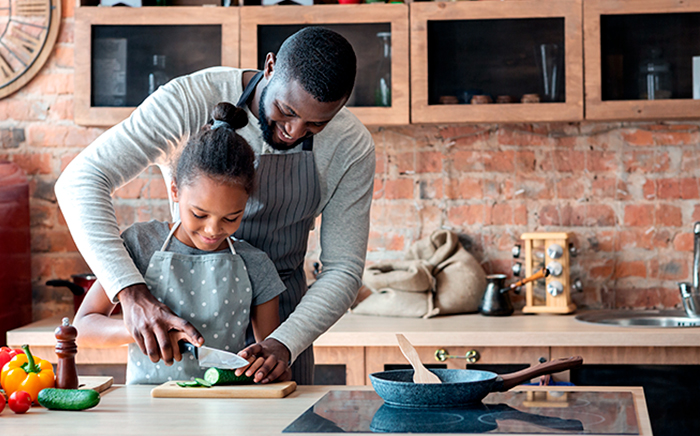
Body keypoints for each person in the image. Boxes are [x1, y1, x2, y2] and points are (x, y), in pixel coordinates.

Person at [55, 26, 375, 385]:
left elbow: (344, 269)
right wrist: (131, 293)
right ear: (269, 67)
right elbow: (79, 181)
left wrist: (284, 343)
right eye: (285, 111)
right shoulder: (189, 100)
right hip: (179, 319)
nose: (294, 132)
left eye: (317, 124)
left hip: (283, 327)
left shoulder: (351, 144)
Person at [72, 103, 287, 384]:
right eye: (199, 214)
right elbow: (83, 327)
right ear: (175, 190)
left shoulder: (256, 264)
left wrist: (269, 366)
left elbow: (273, 357)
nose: (212, 229)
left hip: (227, 412)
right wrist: (145, 329)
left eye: (231, 217)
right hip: (147, 412)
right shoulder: (141, 244)